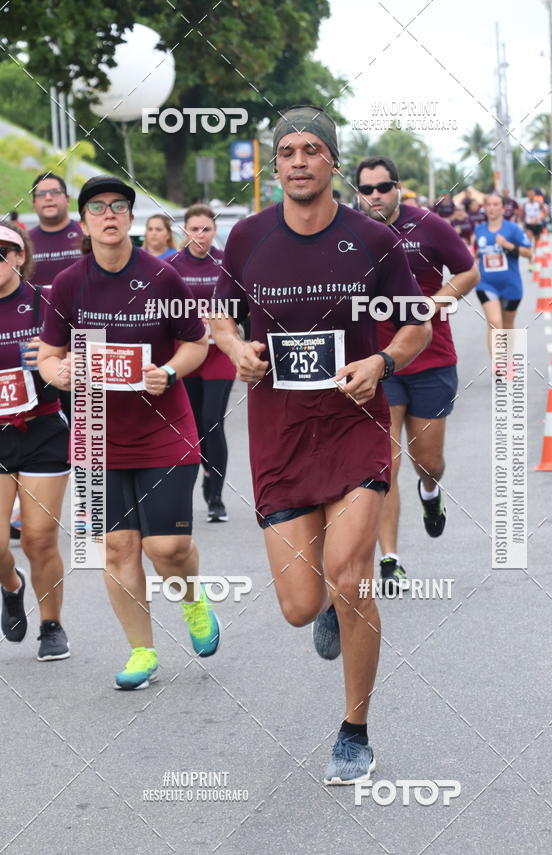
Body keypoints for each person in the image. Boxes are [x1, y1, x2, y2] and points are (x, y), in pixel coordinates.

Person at [210, 105, 431, 785]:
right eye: (287, 152)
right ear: (274, 167)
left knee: (349, 575)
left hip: (353, 426)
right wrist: (234, 348)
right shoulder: (246, 238)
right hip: (280, 435)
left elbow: (416, 324)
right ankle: (330, 610)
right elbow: (220, 316)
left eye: (312, 149)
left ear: (332, 162)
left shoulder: (373, 240)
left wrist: (383, 365)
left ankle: (354, 729)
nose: (299, 161)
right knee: (301, 604)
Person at [38, 176, 218, 691]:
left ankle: (192, 599)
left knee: (166, 548)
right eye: (98, 207)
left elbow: (197, 343)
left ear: (131, 218)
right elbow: (50, 359)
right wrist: (61, 374)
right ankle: (142, 651)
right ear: (86, 220)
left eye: (119, 205)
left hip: (164, 428)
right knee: (117, 548)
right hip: (96, 431)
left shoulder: (161, 277)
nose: (109, 214)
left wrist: (173, 372)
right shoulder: (70, 284)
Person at [356, 156, 479, 584]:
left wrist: (433, 303)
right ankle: (390, 560)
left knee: (427, 462)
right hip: (379, 362)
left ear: (398, 188)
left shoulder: (428, 225)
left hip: (431, 359)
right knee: (384, 465)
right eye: (367, 189)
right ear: (358, 193)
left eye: (383, 187)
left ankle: (431, 492)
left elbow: (468, 271)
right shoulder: (350, 234)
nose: (376, 196)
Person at [0, 224, 70, 660]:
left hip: (42, 428)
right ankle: (11, 585)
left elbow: (83, 349)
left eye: (3, 250)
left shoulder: (45, 300)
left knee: (38, 540)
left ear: (20, 256)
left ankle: (51, 625)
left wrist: (53, 357)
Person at [169, 204, 236, 522]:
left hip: (219, 354)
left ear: (214, 232)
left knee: (212, 422)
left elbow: (242, 303)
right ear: (184, 230)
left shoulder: (226, 263)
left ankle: (216, 496)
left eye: (206, 229)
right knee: (193, 427)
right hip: (188, 353)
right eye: (194, 229)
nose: (199, 235)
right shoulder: (172, 265)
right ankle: (202, 481)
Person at [28, 172, 83, 429]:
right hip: (42, 343)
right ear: (33, 203)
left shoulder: (86, 235)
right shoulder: (25, 244)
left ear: (67, 198)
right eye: (41, 194)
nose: (48, 198)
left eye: (54, 192)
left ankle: (91, 468)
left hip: (87, 338)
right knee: (49, 420)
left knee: (88, 424)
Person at [474, 193, 532, 355]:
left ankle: (507, 362)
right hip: (486, 283)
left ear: (502, 208)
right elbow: (476, 253)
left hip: (510, 284)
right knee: (494, 322)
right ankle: (497, 368)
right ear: (485, 208)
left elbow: (529, 252)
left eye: (496, 204)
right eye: (489, 204)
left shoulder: (513, 229)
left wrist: (507, 244)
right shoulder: (479, 230)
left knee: (507, 326)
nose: (492, 208)